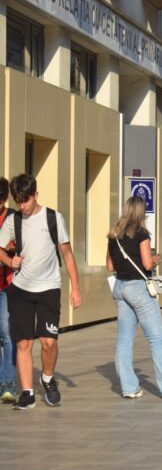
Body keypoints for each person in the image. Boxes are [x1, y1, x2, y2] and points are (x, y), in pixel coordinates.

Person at [0, 174, 83, 409]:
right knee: (23, 343)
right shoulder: (13, 221)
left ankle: (47, 378)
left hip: (49, 289)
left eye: (26, 200)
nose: (22, 206)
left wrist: (75, 289)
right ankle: (27, 392)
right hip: (21, 290)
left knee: (48, 342)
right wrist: (9, 261)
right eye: (18, 201)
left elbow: (67, 254)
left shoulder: (53, 218)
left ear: (36, 195)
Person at [107, 197, 162, 400]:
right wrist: (155, 259)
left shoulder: (113, 234)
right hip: (138, 288)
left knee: (124, 339)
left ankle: (129, 387)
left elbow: (110, 266)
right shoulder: (141, 233)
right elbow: (146, 264)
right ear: (141, 213)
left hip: (120, 287)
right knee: (156, 339)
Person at [0, 178, 16, 403]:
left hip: (8, 283)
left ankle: (9, 383)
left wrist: (12, 248)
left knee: (7, 332)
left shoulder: (13, 218)